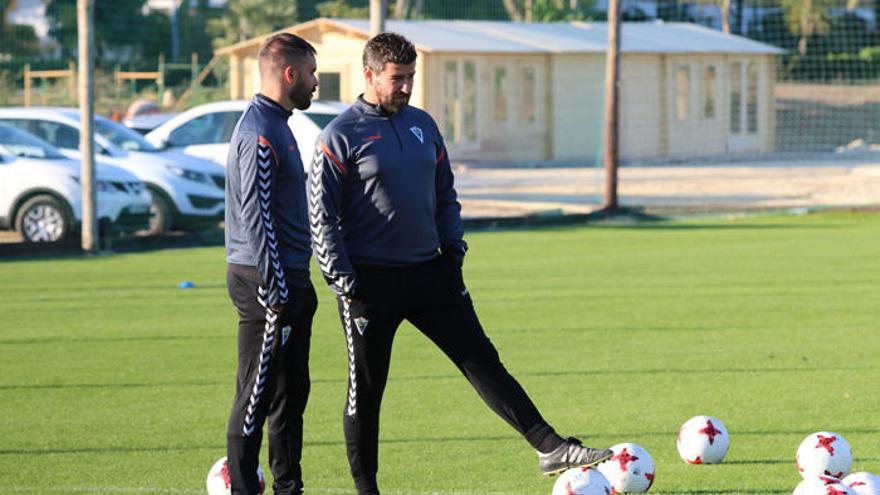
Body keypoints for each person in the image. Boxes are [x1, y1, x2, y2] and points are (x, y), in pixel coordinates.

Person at [308, 32, 613, 495]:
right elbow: (321, 216)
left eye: (411, 77)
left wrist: (453, 251)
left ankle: (549, 446)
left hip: (431, 273)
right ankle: (365, 487)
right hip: (370, 284)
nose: (407, 86)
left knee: (483, 361)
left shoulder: (423, 125)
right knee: (366, 391)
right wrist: (343, 280)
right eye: (398, 78)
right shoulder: (339, 136)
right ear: (369, 75)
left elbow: (446, 193)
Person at [223, 32, 319, 495]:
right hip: (265, 282)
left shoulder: (279, 123)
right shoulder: (259, 131)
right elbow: (255, 217)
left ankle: (288, 486)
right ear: (290, 74)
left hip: (288, 280)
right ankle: (243, 487)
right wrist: (277, 290)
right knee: (255, 395)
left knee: (291, 393)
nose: (316, 82)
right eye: (312, 73)